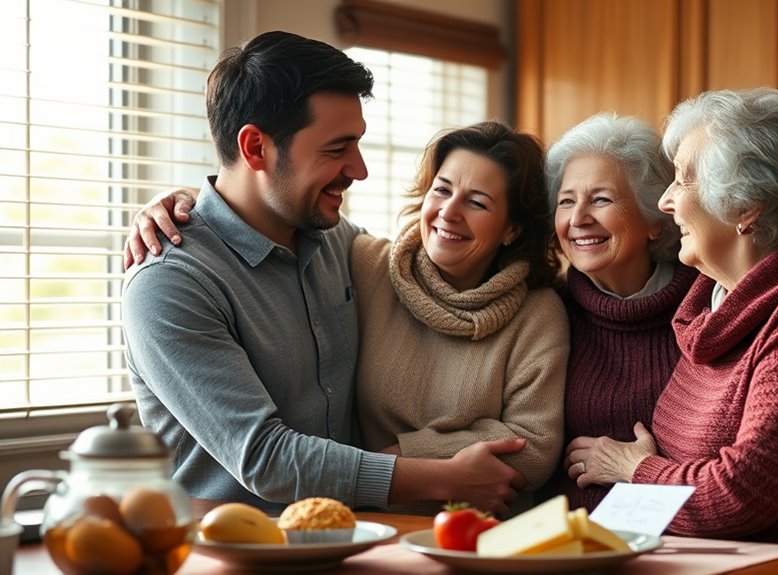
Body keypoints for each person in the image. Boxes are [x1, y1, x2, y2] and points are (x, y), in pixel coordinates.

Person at [121, 30, 528, 514]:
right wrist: (447, 477)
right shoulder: (170, 282)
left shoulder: (339, 243)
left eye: (356, 144)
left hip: (352, 541)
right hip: (229, 554)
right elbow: (265, 458)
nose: (359, 169)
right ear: (255, 149)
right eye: (337, 149)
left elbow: (435, 266)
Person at [563, 88, 778, 552]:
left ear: (746, 208)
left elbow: (738, 495)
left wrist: (635, 469)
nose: (666, 202)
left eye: (683, 181)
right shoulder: (714, 304)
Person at [351, 122, 567, 514]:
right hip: (371, 525)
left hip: (482, 538)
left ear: (512, 229)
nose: (448, 213)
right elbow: (286, 222)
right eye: (442, 190)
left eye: (477, 202)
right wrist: (201, 201)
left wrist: (402, 455)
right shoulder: (367, 266)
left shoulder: (538, 313)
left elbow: (533, 449)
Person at [538, 113, 698, 512]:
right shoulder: (548, 311)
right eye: (566, 201)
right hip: (574, 536)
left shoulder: (707, 302)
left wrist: (638, 465)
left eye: (601, 199)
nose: (577, 220)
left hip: (688, 535)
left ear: (655, 220)